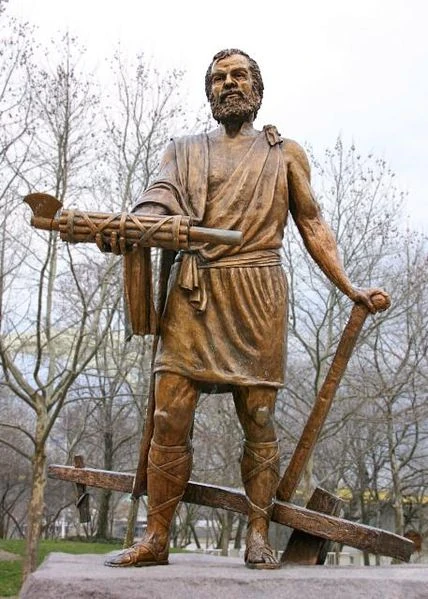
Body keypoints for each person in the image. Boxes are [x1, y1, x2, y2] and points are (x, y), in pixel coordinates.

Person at [105, 48, 383, 569]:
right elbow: (157, 200)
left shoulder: (285, 154)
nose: (229, 83)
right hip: (194, 292)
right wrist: (127, 229)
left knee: (258, 417)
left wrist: (349, 286)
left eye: (239, 75)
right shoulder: (183, 151)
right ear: (209, 91)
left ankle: (258, 533)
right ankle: (156, 538)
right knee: (168, 415)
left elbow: (312, 222)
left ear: (257, 87)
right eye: (218, 78)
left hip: (257, 292)